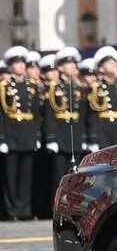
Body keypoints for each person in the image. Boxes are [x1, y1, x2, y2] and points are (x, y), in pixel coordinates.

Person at [41, 47, 89, 203]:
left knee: (76, 176)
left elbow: (83, 116)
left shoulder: (79, 88)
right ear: (60, 67)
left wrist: (85, 137)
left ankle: (72, 205)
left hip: (75, 133)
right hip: (60, 134)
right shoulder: (54, 88)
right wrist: (51, 138)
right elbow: (49, 115)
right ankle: (57, 206)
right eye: (69, 64)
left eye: (75, 63)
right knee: (59, 175)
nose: (74, 66)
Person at [1, 45, 42, 220]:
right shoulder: (4, 86)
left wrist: (37, 136)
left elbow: (35, 114)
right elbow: (1, 114)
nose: (20, 66)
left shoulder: (31, 86)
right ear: (10, 66)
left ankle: (24, 209)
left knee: (26, 175)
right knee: (10, 176)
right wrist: (1, 138)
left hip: (27, 133)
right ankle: (12, 211)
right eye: (16, 63)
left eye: (22, 63)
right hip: (11, 133)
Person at [85, 48, 117, 150]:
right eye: (110, 63)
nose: (114, 64)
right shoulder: (95, 88)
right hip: (103, 131)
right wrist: (93, 138)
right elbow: (92, 116)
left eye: (115, 62)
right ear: (101, 68)